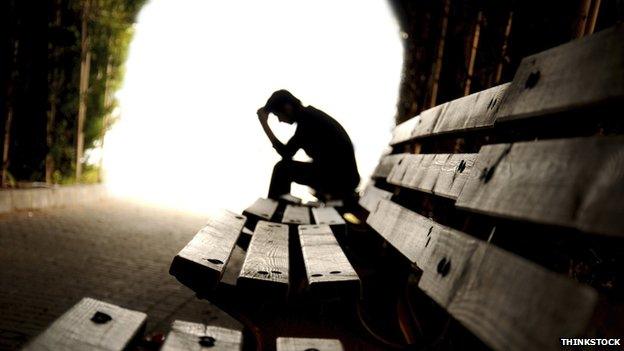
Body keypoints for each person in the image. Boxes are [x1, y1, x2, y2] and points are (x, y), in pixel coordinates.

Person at [257, 90, 360, 203]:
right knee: (284, 168)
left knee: (282, 169)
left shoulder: (308, 121)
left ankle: (270, 211)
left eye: (278, 115)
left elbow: (286, 153)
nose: (280, 120)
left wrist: (264, 124)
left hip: (342, 180)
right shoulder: (308, 117)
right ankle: (277, 208)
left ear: (287, 108)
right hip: (342, 176)